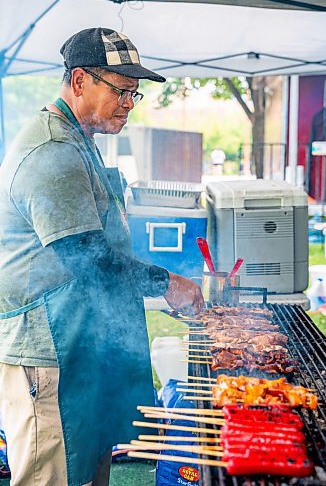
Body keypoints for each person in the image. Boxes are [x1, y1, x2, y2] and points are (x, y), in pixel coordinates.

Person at [0, 27, 204, 486]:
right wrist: (169, 283)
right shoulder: (52, 149)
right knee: (51, 476)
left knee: (90, 471)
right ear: (78, 81)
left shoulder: (79, 140)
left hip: (80, 343)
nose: (130, 103)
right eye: (121, 91)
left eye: (135, 94)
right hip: (48, 352)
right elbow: (87, 258)